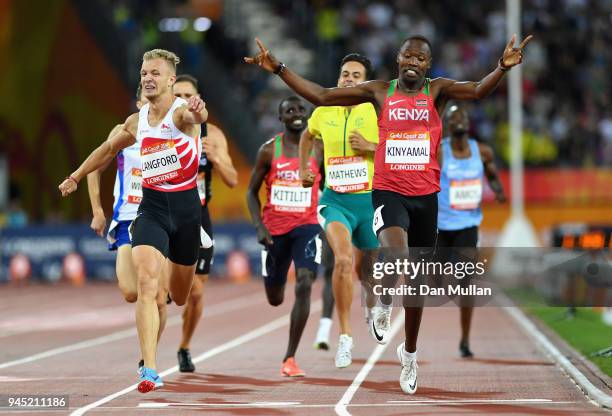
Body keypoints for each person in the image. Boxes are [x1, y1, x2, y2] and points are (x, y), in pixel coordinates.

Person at [245, 33, 531, 394]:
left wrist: (501, 69)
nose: (413, 61)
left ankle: (409, 354)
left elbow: (475, 91)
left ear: (428, 65)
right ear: (398, 59)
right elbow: (323, 96)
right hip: (388, 190)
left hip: (426, 196)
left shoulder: (437, 91)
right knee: (396, 252)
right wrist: (280, 69)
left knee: (418, 283)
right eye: (407, 55)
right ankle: (382, 301)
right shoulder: (379, 91)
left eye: (420, 58)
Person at [59, 49, 209, 393]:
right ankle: (150, 369)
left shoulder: (181, 113)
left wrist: (200, 112)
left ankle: (177, 273)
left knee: (181, 295)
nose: (147, 78)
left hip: (186, 210)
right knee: (145, 283)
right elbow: (107, 150)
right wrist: (77, 176)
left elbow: (196, 116)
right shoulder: (135, 121)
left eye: (155, 73)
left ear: (171, 80)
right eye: (144, 73)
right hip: (151, 208)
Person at [298, 53, 384, 368]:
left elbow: (398, 149)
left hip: (370, 202)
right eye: (344, 73)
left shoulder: (376, 111)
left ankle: (372, 305)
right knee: (344, 260)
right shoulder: (324, 110)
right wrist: (305, 167)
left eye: (356, 75)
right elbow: (307, 137)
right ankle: (345, 337)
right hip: (335, 201)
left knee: (369, 272)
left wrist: (370, 147)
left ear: (367, 83)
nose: (348, 79)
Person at [86, 85, 168, 376]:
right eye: (146, 100)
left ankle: (149, 361)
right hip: (127, 220)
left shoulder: (172, 130)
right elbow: (95, 168)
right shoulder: (124, 132)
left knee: (156, 296)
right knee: (131, 292)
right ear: (137, 103)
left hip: (160, 218)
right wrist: (97, 211)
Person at [246, 96, 322, 377]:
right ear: (281, 118)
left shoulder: (318, 149)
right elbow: (250, 192)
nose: (296, 114)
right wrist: (258, 227)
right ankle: (276, 285)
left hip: (307, 226)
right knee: (275, 298)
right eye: (289, 110)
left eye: (301, 109)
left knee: (304, 282)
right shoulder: (268, 151)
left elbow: (329, 185)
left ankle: (290, 357)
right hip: (274, 232)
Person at [172, 74, 238, 372]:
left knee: (196, 293)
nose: (184, 100)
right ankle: (147, 356)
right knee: (156, 290)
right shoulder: (161, 129)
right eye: (178, 95)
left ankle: (184, 347)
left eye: (189, 95)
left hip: (198, 217)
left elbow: (233, 180)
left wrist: (216, 158)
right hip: (163, 213)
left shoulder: (212, 134)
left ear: (199, 100)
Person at [436, 105, 506, 358]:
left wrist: (497, 190)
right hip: (440, 227)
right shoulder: (440, 151)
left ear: (468, 122)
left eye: (462, 116)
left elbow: (492, 174)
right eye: (453, 118)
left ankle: (465, 340)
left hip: (468, 225)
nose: (458, 120)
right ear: (446, 124)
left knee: (467, 284)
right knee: (437, 282)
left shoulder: (482, 151)